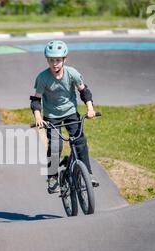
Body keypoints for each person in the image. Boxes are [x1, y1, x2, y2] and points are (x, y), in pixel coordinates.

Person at [30, 40, 99, 194]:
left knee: (80, 141)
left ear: (64, 60)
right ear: (47, 60)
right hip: (51, 116)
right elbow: (36, 100)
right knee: (56, 146)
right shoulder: (42, 78)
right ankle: (53, 177)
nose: (55, 64)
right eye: (51, 60)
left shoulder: (72, 73)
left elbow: (84, 91)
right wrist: (38, 117)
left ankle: (88, 173)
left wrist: (90, 109)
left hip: (71, 112)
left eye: (58, 60)